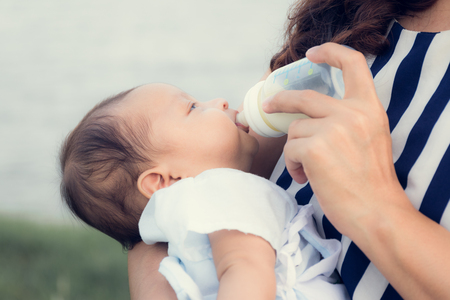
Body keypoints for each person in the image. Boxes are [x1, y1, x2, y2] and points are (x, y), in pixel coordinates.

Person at [127, 0, 450, 299]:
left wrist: (375, 206)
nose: (221, 102)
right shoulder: (350, 9)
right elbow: (145, 211)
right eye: (193, 107)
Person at [60, 83, 350, 299]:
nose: (221, 102)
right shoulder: (220, 189)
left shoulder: (182, 223)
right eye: (193, 108)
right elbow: (245, 267)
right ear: (162, 180)